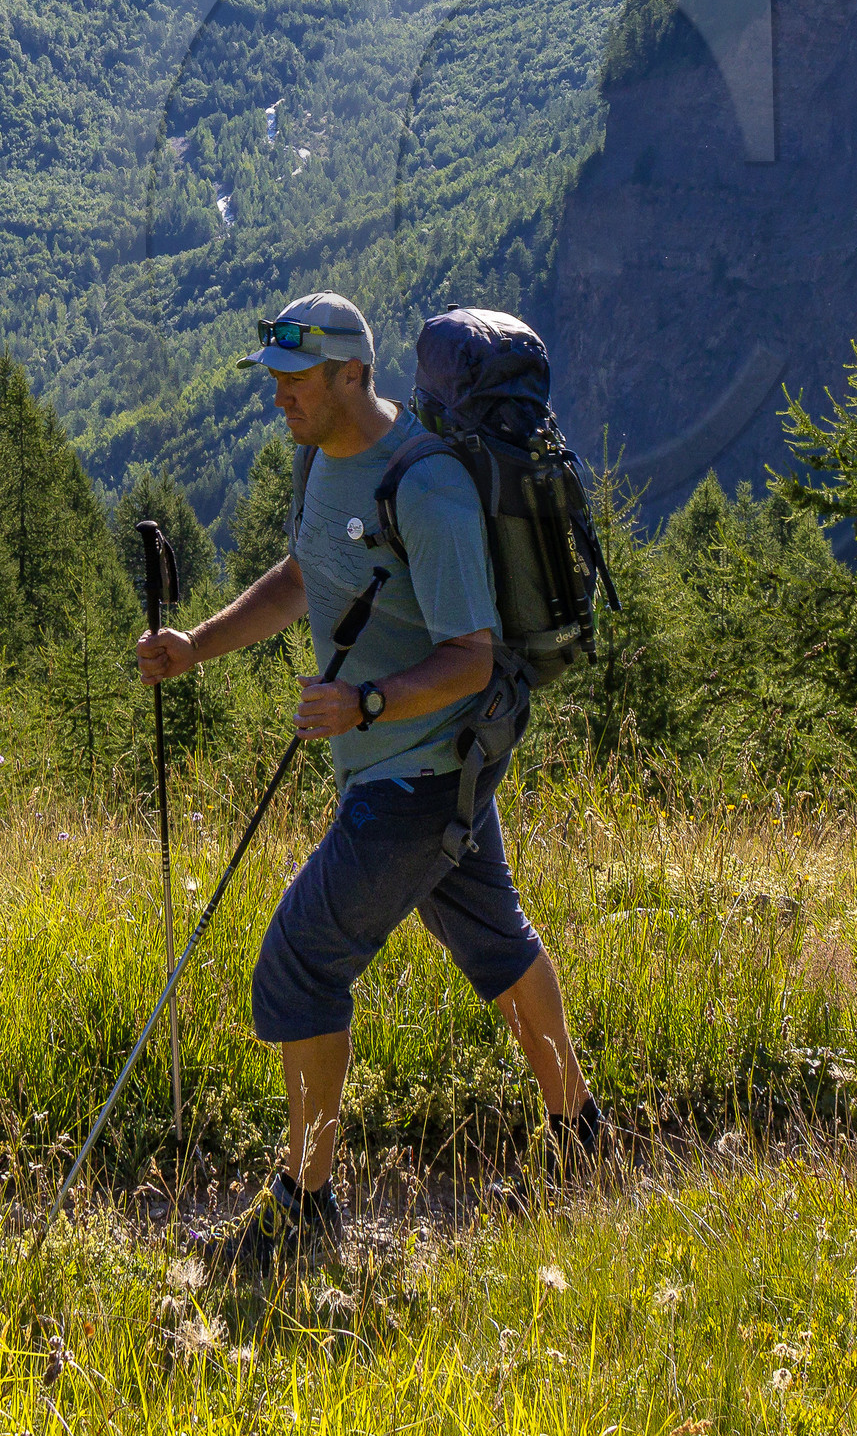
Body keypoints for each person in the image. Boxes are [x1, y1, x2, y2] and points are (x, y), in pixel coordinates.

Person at [138, 290, 603, 1271]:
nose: (278, 400)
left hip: (417, 774)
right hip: (423, 767)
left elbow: (471, 657)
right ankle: (582, 1139)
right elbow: (305, 573)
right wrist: (199, 646)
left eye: (294, 382)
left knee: (300, 965)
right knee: (496, 942)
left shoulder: (425, 489)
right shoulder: (323, 461)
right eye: (271, 381)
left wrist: (368, 707)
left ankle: (303, 1206)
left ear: (354, 372)